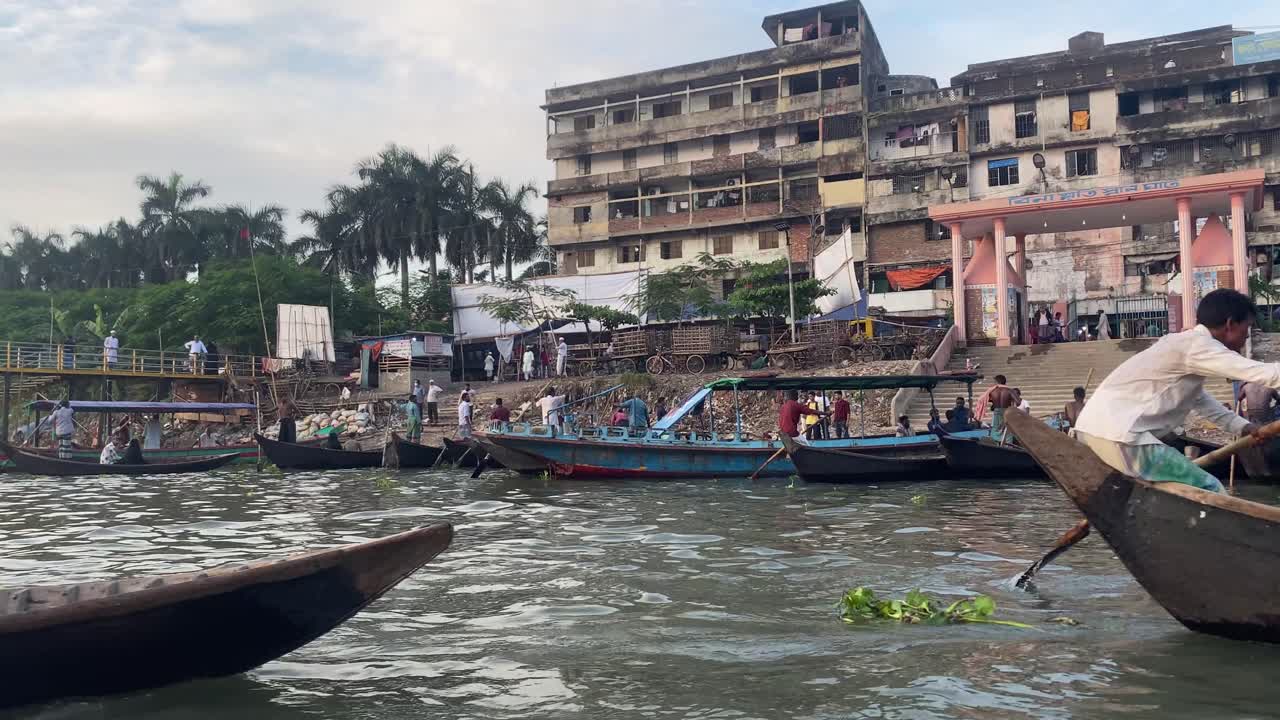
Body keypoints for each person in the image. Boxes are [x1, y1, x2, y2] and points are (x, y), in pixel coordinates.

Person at [1074, 288, 1280, 494]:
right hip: (1121, 438)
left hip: (1092, 432)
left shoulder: (1182, 344)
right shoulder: (1198, 345)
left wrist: (1243, 427)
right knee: (1211, 490)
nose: (1246, 336)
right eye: (1247, 328)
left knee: (1157, 494)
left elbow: (1202, 402)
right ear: (1230, 324)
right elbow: (1265, 374)